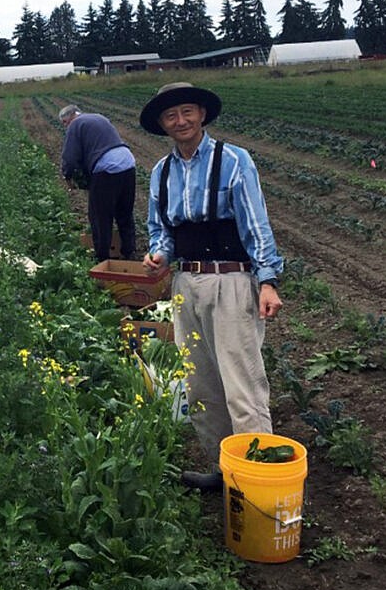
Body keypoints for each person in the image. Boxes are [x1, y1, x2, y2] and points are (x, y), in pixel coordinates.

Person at [138, 82, 284, 492]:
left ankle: (257, 481)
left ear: (202, 115)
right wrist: (159, 256)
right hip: (187, 282)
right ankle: (225, 472)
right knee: (200, 385)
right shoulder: (160, 172)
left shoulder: (234, 160)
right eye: (171, 116)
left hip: (232, 280)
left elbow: (255, 224)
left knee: (242, 386)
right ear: (163, 126)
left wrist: (267, 280)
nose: (180, 121)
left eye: (187, 111)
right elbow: (160, 230)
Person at [58, 105, 138, 262]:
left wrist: (67, 175)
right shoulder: (98, 117)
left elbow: (70, 157)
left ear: (70, 118)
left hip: (106, 168)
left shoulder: (75, 124)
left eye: (65, 123)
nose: (66, 127)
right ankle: (129, 252)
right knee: (124, 212)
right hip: (128, 162)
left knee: (100, 216)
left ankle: (102, 258)